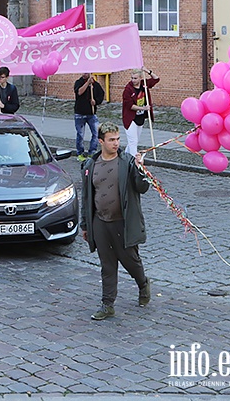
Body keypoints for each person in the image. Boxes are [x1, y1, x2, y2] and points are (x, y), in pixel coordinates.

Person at [79, 122, 152, 321]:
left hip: (123, 222)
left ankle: (143, 284)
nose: (116, 143)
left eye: (118, 139)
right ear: (101, 141)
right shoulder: (90, 165)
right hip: (100, 222)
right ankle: (107, 304)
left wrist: (141, 169)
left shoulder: (127, 162)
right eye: (111, 140)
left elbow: (142, 188)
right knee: (107, 265)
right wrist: (85, 225)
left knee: (131, 261)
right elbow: (87, 198)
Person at [122, 68, 160, 157]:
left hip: (140, 118)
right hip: (130, 119)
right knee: (133, 142)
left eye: (135, 78)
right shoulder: (128, 90)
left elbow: (156, 79)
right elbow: (130, 106)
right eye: (132, 78)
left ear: (140, 78)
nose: (133, 80)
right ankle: (135, 163)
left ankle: (125, 157)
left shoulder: (144, 84)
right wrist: (143, 108)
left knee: (134, 141)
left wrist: (147, 71)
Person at [74, 73, 106, 161]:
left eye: (86, 73)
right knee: (80, 134)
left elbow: (101, 95)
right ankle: (80, 153)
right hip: (79, 113)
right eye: (83, 72)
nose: (84, 74)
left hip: (91, 114)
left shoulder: (96, 85)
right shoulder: (78, 82)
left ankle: (92, 152)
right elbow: (79, 92)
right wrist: (87, 83)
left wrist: (95, 102)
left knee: (96, 133)